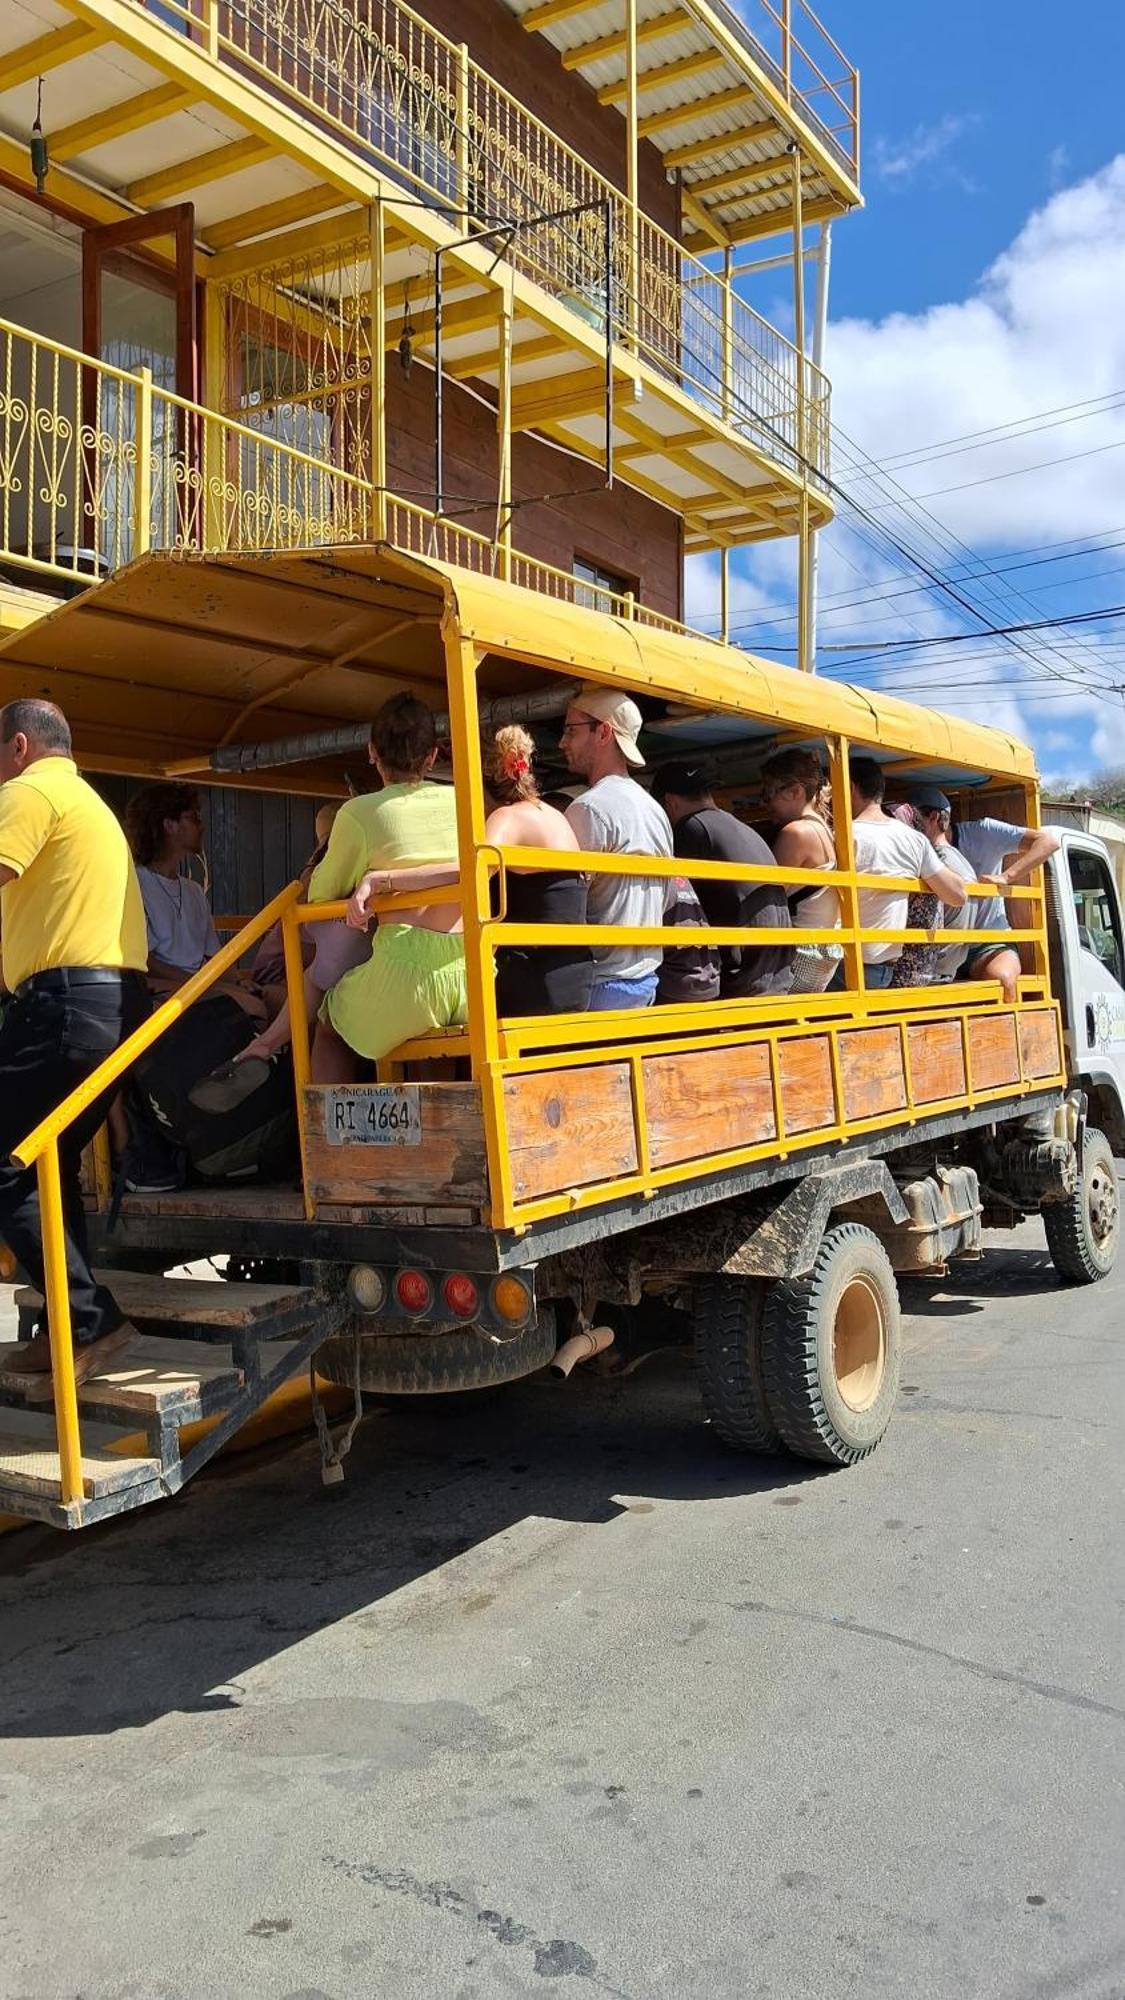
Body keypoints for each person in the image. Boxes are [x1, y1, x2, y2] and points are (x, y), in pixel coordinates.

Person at [0, 700, 149, 1395]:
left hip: (64, 1006)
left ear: (20, 746)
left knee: (6, 1164)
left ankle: (90, 1322)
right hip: (110, 1009)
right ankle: (72, 1329)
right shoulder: (88, 805)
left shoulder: (29, 791)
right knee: (47, 1165)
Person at [347, 724, 595, 1017]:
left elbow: (465, 874)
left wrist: (381, 879)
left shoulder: (506, 820)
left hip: (535, 982)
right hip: (575, 979)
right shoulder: (553, 816)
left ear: (476, 780)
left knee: (430, 1003)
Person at [306, 693, 466, 1079]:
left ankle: (327, 1140)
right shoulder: (464, 802)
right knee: (433, 1039)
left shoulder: (358, 812)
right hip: (471, 972)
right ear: (432, 756)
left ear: (372, 752)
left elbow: (320, 896)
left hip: (404, 978)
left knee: (328, 1021)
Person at [559, 688, 672, 1010]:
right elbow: (668, 897)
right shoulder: (655, 810)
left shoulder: (589, 808)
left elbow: (564, 902)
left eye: (571, 731)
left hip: (599, 981)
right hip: (645, 980)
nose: (562, 743)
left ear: (604, 732)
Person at [652, 760, 793, 998]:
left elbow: (676, 901)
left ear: (669, 802)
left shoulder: (692, 828)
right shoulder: (738, 827)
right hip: (775, 976)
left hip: (741, 980)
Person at [124, 782, 264, 1020]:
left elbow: (213, 957)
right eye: (194, 817)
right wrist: (202, 984)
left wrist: (239, 981)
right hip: (160, 987)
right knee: (254, 1009)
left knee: (270, 998)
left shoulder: (194, 891)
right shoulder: (134, 885)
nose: (202, 825)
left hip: (198, 983)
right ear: (169, 825)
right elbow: (145, 960)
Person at [839, 757, 967, 988]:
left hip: (846, 969)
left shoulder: (844, 836)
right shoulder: (914, 840)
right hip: (884, 971)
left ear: (849, 788)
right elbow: (958, 895)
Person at [904, 787, 1027, 1001]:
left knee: (1004, 980)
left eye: (912, 818)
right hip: (953, 954)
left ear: (933, 818)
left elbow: (1047, 842)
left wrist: (1006, 877)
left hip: (956, 956)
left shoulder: (941, 860)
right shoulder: (944, 856)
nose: (907, 826)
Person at [760, 748, 842, 993]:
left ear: (795, 791)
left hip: (799, 955)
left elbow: (769, 898)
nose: (765, 803)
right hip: (822, 954)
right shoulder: (824, 829)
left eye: (768, 794)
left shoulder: (796, 832)